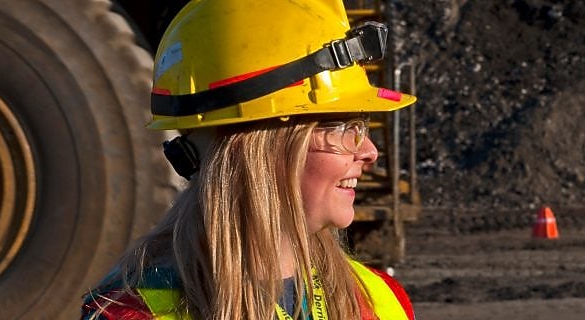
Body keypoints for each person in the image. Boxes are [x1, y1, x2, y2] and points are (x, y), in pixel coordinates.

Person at [80, 0, 417, 319]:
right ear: (261, 149)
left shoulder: (379, 301)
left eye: (362, 125)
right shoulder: (131, 314)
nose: (370, 152)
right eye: (344, 128)